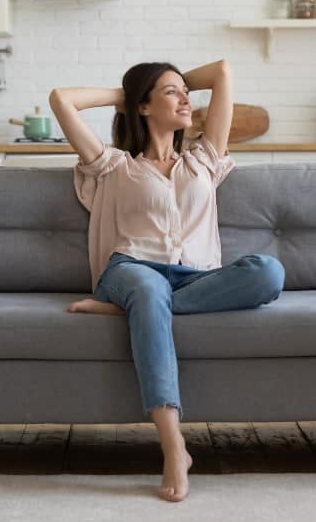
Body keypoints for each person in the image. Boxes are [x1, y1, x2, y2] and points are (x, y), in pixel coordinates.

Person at [49, 59, 285, 502]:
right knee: (147, 289)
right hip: (132, 270)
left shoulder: (204, 160)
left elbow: (223, 72)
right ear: (142, 107)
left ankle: (135, 310)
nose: (186, 99)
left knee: (269, 272)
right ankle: (174, 444)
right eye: (172, 93)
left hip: (194, 279)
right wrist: (126, 94)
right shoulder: (113, 165)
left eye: (185, 92)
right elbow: (61, 100)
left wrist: (167, 88)